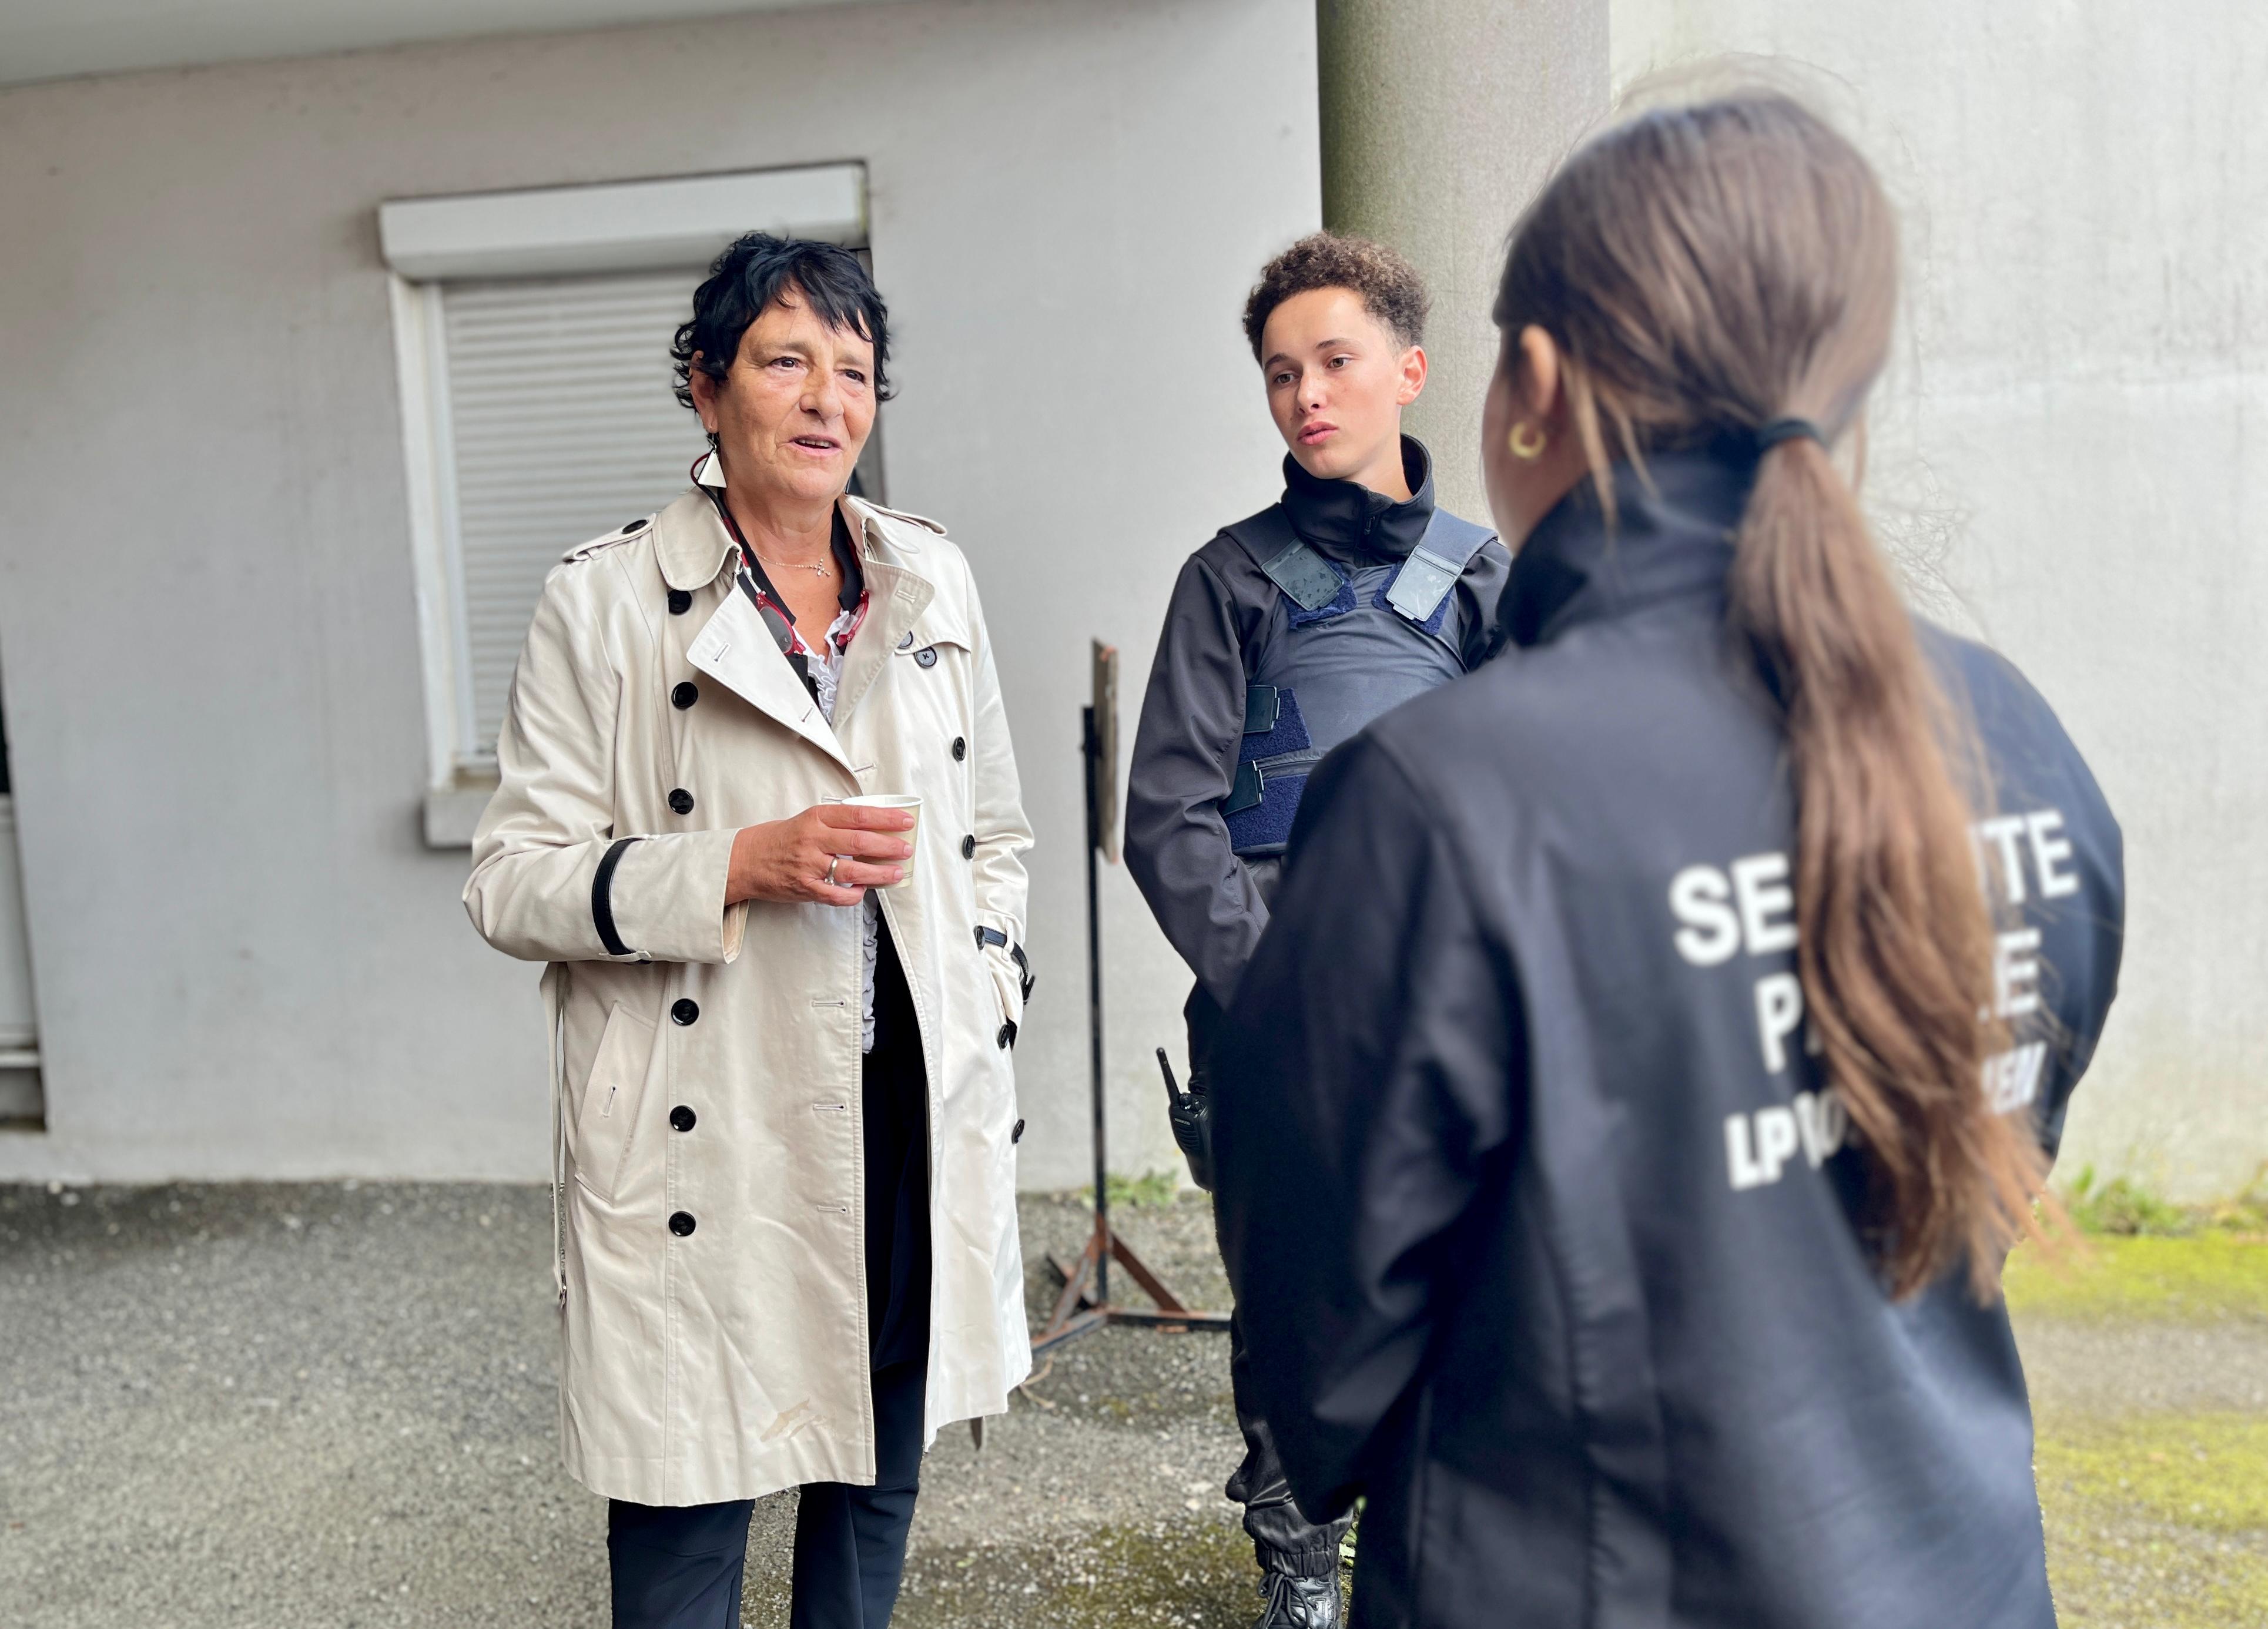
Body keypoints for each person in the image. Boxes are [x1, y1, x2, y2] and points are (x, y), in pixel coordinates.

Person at [1212, 94, 2125, 1629]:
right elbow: (1971, 1166)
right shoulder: (2016, 741)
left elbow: (1316, 1361)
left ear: (1535, 386)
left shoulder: (1436, 802)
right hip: (1958, 1571)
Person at [464, 232, 1035, 1629]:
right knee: (686, 1514)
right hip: (701, 1124)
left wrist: (989, 996)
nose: (826, 399)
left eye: (853, 370)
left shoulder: (931, 583)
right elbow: (510, 879)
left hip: (904, 1107)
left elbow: (997, 838)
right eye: (786, 361)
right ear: (708, 388)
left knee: (873, 1487)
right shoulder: (601, 600)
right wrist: (732, 864)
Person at [1124, 233, 1507, 1629]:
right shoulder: (1226, 581)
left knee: (1470, 1285)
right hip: (1270, 989)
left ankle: (1442, 1544)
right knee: (1293, 1298)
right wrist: (1284, 989)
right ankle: (1298, 1562)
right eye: (1281, 374)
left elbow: (1542, 799)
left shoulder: (1485, 582)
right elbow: (1165, 818)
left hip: (1450, 989)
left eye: (1335, 362)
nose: (1306, 397)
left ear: (1407, 370)